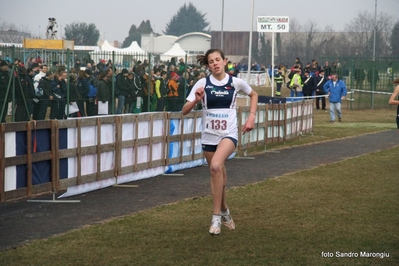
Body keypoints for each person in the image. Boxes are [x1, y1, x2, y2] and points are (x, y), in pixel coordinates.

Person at [182, 48, 258, 235]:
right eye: (211, 61)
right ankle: (225, 210)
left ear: (225, 61)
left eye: (218, 59)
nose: (215, 63)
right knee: (219, 175)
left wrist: (251, 117)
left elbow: (254, 95)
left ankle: (216, 218)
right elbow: (184, 110)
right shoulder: (203, 83)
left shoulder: (235, 82)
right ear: (207, 65)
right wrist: (196, 101)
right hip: (209, 135)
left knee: (216, 166)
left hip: (229, 134)